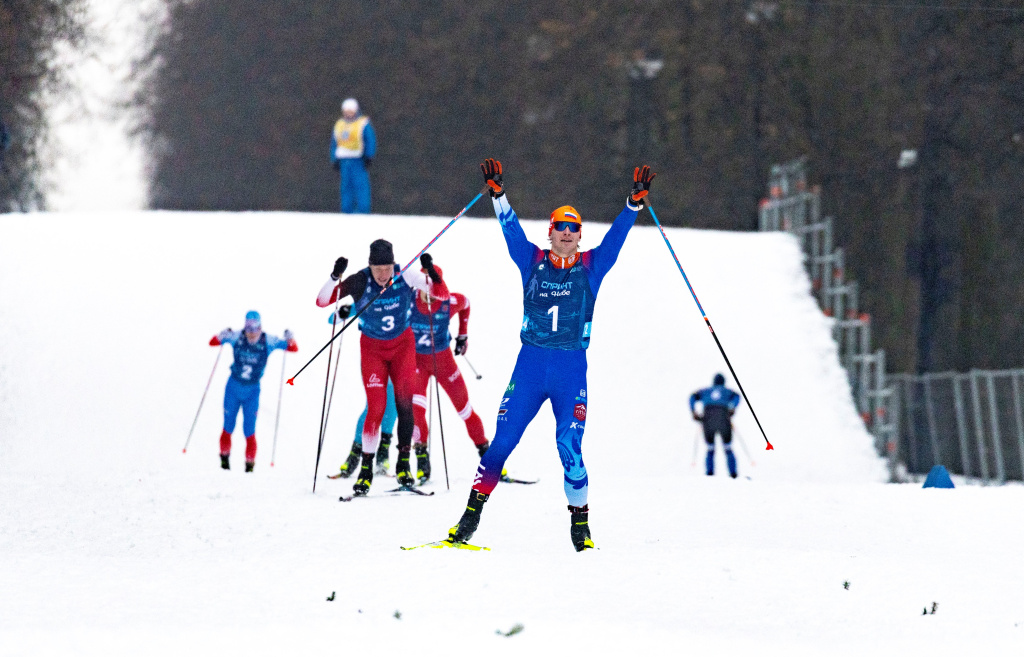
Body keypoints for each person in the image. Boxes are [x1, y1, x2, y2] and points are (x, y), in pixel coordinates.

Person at [447, 158, 656, 551]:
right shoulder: (532, 261)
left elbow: (615, 239)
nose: (565, 233)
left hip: (570, 370)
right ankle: (469, 519)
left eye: (573, 228)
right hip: (530, 366)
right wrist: (499, 196)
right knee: (501, 444)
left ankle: (581, 526)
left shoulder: (594, 265)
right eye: (559, 227)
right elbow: (510, 232)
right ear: (550, 232)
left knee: (569, 447)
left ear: (580, 236)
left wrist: (633, 205)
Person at [315, 240, 448, 495]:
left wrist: (430, 272)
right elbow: (322, 301)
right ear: (370, 266)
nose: (383, 274)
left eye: (387, 269)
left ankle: (403, 465)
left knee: (404, 405)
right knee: (375, 408)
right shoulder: (359, 281)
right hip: (373, 350)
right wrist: (334, 276)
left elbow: (441, 293)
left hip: (403, 348)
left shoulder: (405, 274)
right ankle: (365, 470)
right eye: (378, 270)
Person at [407, 266, 489, 483]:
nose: (430, 293)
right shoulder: (408, 300)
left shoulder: (449, 301)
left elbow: (466, 304)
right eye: (425, 287)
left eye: (435, 288)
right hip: (416, 362)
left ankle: (488, 458)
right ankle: (422, 459)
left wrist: (463, 335)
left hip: (443, 362)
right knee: (417, 411)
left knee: (465, 410)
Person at [209, 311, 297, 471]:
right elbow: (213, 342)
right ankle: (224, 461)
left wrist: (290, 338)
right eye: (248, 329)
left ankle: (249, 466)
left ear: (260, 327)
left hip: (252, 391)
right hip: (233, 387)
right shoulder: (237, 337)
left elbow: (293, 348)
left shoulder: (268, 341)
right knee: (228, 425)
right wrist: (222, 335)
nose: (251, 334)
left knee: (249, 429)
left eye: (254, 329)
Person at [328, 305, 399, 479]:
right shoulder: (369, 294)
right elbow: (332, 319)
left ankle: (383, 455)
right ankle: (354, 456)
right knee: (374, 406)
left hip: (397, 355)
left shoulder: (401, 294)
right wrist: (343, 311)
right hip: (373, 357)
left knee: (393, 404)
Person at [690, 373, 742, 478]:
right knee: (727, 447)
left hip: (708, 420)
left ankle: (710, 473)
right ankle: (733, 474)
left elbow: (692, 397)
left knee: (710, 447)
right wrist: (733, 408)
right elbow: (737, 397)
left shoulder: (705, 391)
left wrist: (694, 411)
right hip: (724, 419)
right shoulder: (728, 391)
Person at [330, 98, 376, 214]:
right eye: (346, 111)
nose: (348, 113)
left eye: (351, 111)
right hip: (344, 160)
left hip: (358, 159)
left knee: (361, 186)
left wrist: (369, 156)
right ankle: (346, 211)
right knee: (346, 187)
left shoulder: (362, 124)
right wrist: (334, 159)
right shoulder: (340, 124)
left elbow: (370, 140)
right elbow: (334, 142)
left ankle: (363, 210)